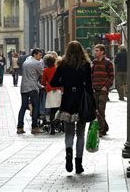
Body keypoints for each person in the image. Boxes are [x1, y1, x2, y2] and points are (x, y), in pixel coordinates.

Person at [50, 41, 92, 174]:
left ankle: (68, 153)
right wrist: (93, 105)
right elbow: (89, 86)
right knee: (80, 133)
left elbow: (53, 82)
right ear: (81, 50)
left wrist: (66, 82)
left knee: (69, 132)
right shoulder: (85, 65)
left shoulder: (62, 64)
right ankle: (78, 163)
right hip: (81, 101)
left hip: (67, 100)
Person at [17, 49, 43, 135]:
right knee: (35, 106)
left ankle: (19, 127)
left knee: (23, 107)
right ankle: (34, 127)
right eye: (39, 55)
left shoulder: (26, 62)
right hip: (32, 88)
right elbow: (42, 73)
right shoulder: (37, 63)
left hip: (24, 87)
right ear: (35, 55)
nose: (40, 57)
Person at [91, 44, 114, 137]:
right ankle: (105, 126)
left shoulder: (108, 63)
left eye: (97, 50)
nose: (95, 52)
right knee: (95, 110)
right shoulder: (94, 62)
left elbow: (112, 76)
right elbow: (91, 75)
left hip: (103, 89)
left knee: (101, 109)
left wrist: (106, 86)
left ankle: (101, 130)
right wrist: (91, 85)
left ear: (102, 52)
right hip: (94, 88)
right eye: (95, 50)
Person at [41, 54, 62, 135]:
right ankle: (59, 124)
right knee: (59, 108)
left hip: (50, 91)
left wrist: (46, 85)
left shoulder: (45, 70)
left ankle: (52, 128)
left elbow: (43, 82)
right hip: (58, 90)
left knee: (52, 111)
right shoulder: (58, 69)